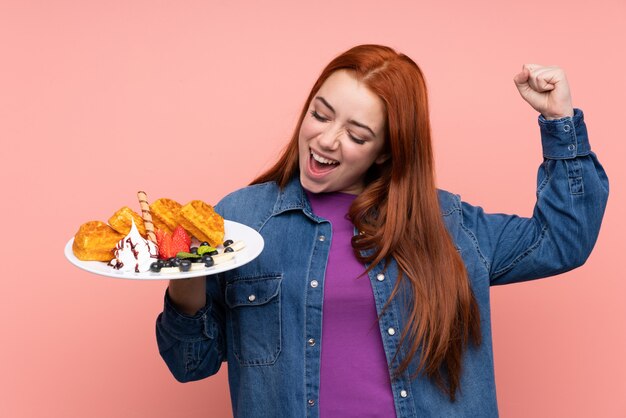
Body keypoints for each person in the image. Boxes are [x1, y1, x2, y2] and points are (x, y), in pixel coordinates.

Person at [156, 44, 609, 417]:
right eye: (321, 114)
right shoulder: (242, 220)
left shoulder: (444, 223)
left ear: (387, 153)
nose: (327, 140)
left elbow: (562, 241)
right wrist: (186, 270)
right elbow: (189, 363)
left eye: (356, 134)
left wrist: (558, 121)